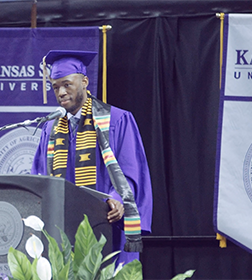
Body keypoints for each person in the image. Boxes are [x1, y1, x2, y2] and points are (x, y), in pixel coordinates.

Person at [31, 50, 153, 265]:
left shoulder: (116, 120)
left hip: (107, 221)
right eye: (55, 87)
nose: (60, 92)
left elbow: (130, 170)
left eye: (67, 84)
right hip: (63, 225)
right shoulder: (50, 129)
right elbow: (40, 176)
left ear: (84, 81)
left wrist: (116, 199)